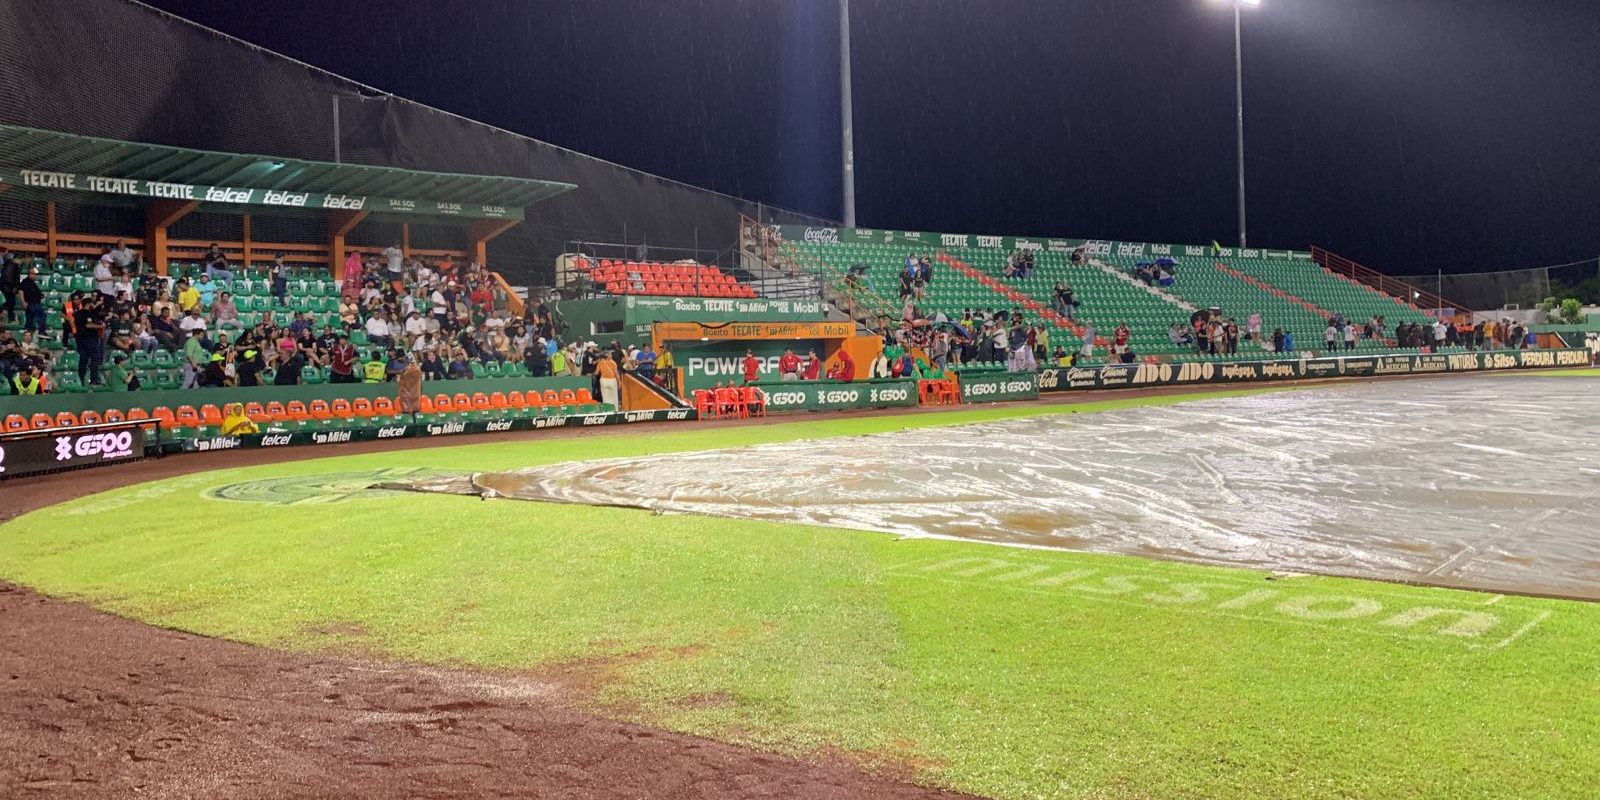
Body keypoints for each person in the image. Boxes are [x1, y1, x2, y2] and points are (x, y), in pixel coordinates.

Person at [19, 266, 45, 335]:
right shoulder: (25, 282)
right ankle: (41, 332)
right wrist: (23, 302)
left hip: (33, 304)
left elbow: (37, 293)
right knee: (41, 316)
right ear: (30, 274)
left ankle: (29, 334)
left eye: (36, 275)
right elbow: (21, 292)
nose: (36, 276)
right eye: (34, 274)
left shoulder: (33, 283)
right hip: (32, 304)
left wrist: (40, 295)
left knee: (30, 321)